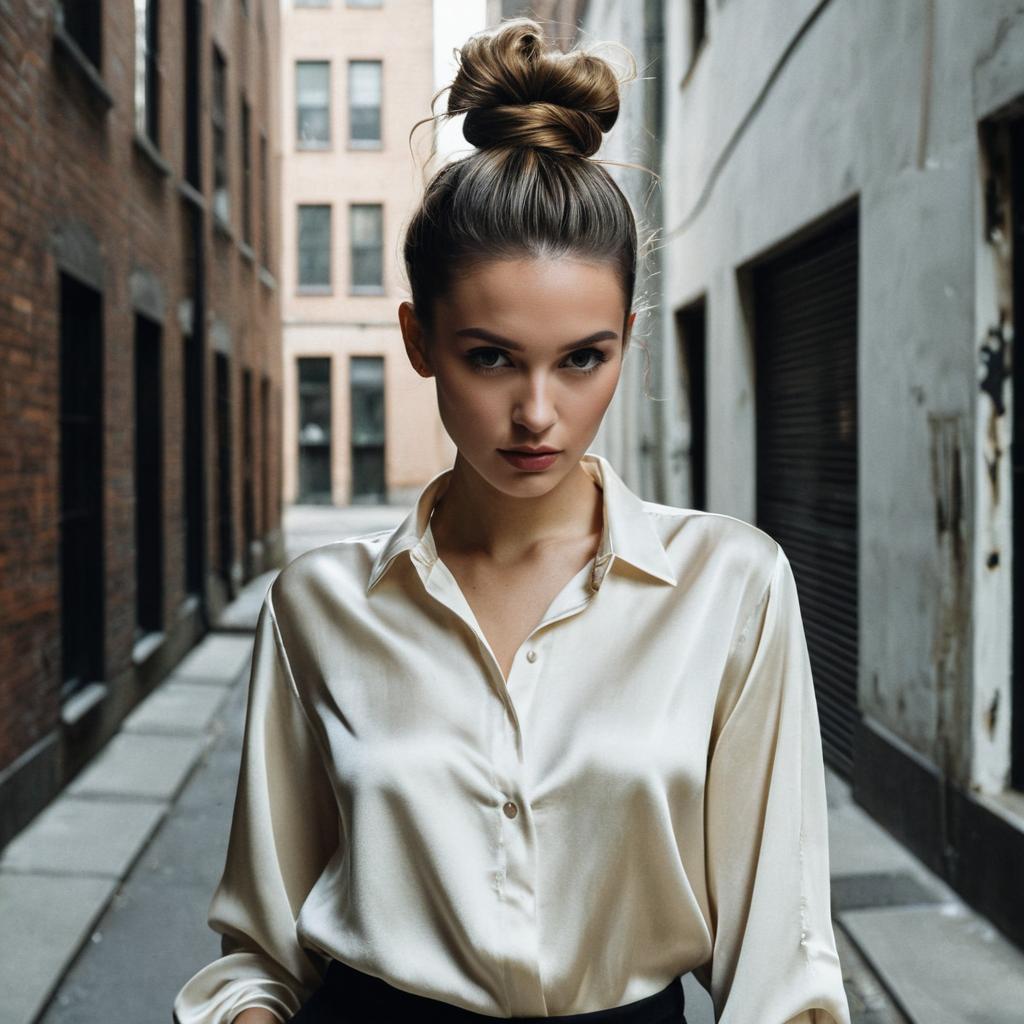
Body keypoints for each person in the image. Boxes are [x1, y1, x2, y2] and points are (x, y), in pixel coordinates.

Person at [173, 17, 852, 1024]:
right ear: (419, 340)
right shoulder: (317, 606)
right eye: (491, 355)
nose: (538, 413)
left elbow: (781, 968)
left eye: (582, 358)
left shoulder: (731, 587)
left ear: (626, 340)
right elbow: (259, 953)